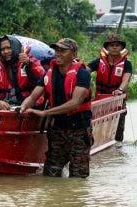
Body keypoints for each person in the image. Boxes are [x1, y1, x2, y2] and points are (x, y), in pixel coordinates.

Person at [20, 38, 92, 178]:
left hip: (79, 129)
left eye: (63, 51)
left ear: (73, 54)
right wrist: (22, 107)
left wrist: (45, 112)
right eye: (56, 50)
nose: (58, 54)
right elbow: (33, 97)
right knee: (51, 174)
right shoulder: (49, 74)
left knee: (78, 177)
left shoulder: (82, 74)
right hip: (57, 129)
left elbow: (75, 103)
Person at [87, 33, 132, 142]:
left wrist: (120, 90)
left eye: (117, 45)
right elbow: (84, 71)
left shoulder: (127, 63)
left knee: (118, 133)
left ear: (121, 48)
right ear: (107, 47)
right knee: (97, 129)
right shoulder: (98, 62)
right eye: (112, 45)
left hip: (118, 101)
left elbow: (126, 79)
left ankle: (117, 152)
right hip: (100, 102)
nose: (114, 47)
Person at [0, 35, 45, 110]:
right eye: (2, 49)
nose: (5, 51)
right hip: (7, 106)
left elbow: (43, 81)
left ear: (16, 47)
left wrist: (29, 64)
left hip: (30, 106)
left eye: (9, 48)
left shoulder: (30, 62)